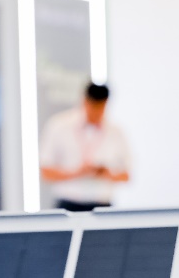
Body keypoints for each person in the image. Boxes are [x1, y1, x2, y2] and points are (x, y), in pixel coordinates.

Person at [40, 83, 131, 211]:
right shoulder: (59, 126)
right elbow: (45, 171)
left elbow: (126, 175)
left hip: (102, 205)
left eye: (100, 107)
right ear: (85, 101)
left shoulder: (116, 132)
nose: (96, 112)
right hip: (68, 205)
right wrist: (75, 173)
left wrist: (106, 173)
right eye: (93, 106)